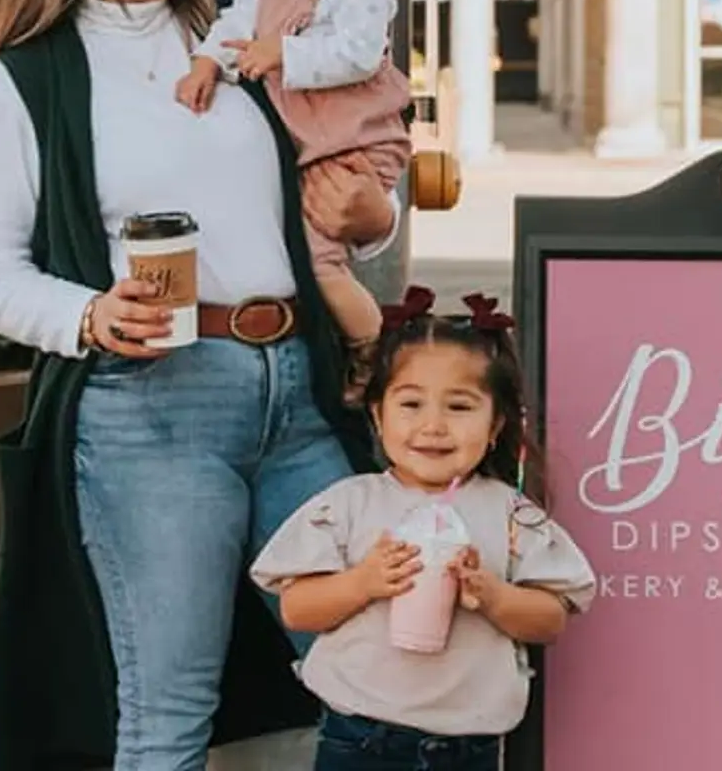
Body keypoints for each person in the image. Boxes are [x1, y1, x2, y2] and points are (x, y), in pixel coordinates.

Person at [0, 0, 404, 771]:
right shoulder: (31, 83)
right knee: (168, 718)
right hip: (156, 414)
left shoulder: (245, 39)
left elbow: (333, 192)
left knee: (381, 675)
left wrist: (373, 221)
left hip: (298, 393)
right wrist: (89, 313)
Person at [250, 287, 597, 771]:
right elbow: (297, 607)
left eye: (459, 407)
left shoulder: (512, 514)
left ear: (495, 423)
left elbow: (551, 618)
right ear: (377, 413)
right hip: (359, 738)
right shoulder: (349, 503)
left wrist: (493, 596)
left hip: (467, 747)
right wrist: (362, 583)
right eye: (411, 405)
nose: (433, 426)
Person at [175, 0, 412, 396]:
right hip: (312, 145)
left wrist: (284, 53)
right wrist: (209, 60)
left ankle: (374, 354)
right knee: (294, 252)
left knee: (320, 259)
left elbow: (360, 55)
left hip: (353, 143)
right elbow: (239, 21)